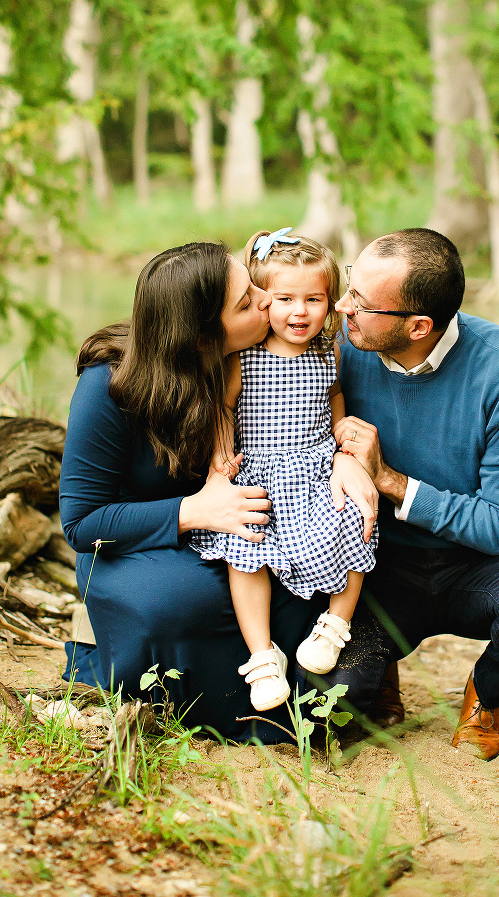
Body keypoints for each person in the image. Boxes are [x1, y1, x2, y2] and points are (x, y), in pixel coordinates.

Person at [58, 241, 376, 742]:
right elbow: (81, 524)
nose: (267, 301)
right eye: (249, 302)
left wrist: (342, 458)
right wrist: (193, 510)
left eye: (254, 287)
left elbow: (310, 424)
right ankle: (210, 700)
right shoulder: (109, 386)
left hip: (241, 521)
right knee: (185, 601)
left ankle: (303, 685)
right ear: (205, 336)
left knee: (304, 569)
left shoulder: (255, 358)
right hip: (134, 543)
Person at [323, 227, 499, 760]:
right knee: (332, 704)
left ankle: (488, 693)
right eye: (350, 286)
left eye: (361, 302)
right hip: (376, 570)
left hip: (476, 568)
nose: (342, 306)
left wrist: (390, 480)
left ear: (419, 326)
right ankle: (378, 678)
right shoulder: (342, 347)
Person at [192, 229, 378, 712]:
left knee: (355, 522)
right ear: (261, 300)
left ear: (331, 302)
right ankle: (262, 655)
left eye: (314, 299)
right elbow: (223, 408)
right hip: (258, 470)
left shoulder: (329, 351)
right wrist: (220, 459)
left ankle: (335, 624)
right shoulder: (244, 355)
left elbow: (335, 396)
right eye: (285, 299)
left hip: (314, 468)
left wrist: (341, 441)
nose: (300, 312)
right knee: (245, 548)